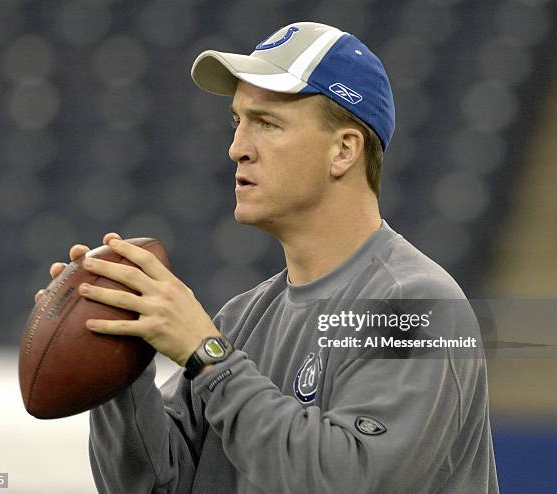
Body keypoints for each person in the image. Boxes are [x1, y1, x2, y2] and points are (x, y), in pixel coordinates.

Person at [37, 22, 499, 493]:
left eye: (267, 123)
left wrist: (207, 355)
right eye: (238, 122)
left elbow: (346, 480)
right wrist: (116, 356)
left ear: (343, 150)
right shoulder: (241, 317)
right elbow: (156, 486)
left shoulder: (413, 306)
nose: (237, 149)